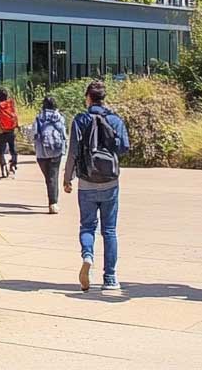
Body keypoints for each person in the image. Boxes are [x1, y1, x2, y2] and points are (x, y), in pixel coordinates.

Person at [63, 80, 130, 293]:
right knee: (109, 231)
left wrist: (67, 178)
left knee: (87, 227)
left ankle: (88, 256)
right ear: (104, 98)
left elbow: (73, 151)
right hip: (110, 182)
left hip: (86, 182)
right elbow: (124, 147)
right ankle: (110, 278)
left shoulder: (80, 120)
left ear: (88, 98)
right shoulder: (115, 119)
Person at [34, 95, 68, 213]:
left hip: (41, 152)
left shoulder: (39, 117)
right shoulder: (59, 117)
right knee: (53, 176)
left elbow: (33, 133)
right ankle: (53, 203)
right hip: (56, 151)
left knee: (49, 177)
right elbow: (63, 133)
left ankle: (52, 200)